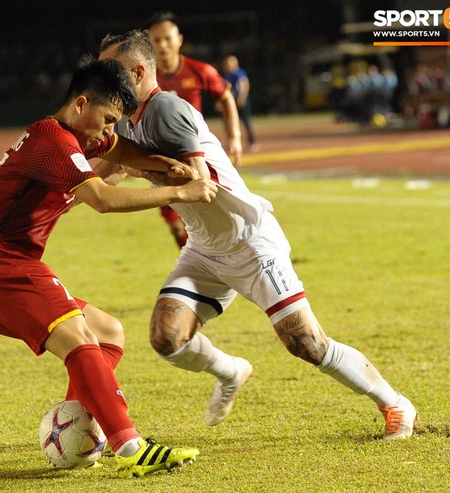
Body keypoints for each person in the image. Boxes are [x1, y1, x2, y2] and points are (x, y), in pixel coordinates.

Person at [98, 30, 417, 440]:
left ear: (138, 72)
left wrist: (135, 167)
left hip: (249, 242)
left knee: (307, 344)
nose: (104, 80)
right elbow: (105, 170)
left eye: (112, 71)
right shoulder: (130, 118)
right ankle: (231, 371)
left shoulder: (166, 109)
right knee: (167, 337)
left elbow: (199, 182)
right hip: (204, 248)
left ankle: (395, 404)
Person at [0, 59, 216, 478]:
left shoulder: (79, 135)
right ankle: (129, 445)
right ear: (81, 104)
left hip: (2, 269)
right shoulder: (53, 141)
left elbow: (121, 150)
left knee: (108, 332)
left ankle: (72, 427)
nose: (108, 131)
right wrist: (180, 192)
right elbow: (103, 199)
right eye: (107, 119)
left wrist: (160, 163)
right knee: (79, 336)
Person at [148, 11, 243, 249]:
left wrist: (235, 136)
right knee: (177, 225)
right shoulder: (145, 77)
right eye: (156, 40)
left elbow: (225, 97)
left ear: (179, 39)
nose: (163, 45)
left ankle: (218, 266)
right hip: (160, 162)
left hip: (195, 157)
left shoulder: (200, 70)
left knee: (212, 219)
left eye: (167, 39)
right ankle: (199, 267)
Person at [221, 54, 258, 151]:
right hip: (231, 102)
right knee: (229, 122)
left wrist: (242, 97)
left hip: (240, 100)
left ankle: (252, 142)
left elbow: (244, 84)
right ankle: (231, 142)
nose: (228, 65)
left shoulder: (239, 73)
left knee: (246, 121)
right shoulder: (227, 75)